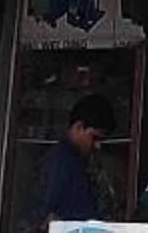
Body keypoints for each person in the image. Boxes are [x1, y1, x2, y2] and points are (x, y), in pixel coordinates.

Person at [28, 95, 114, 231]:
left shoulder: (83, 162)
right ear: (79, 127)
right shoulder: (59, 161)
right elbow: (43, 215)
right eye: (94, 137)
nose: (97, 145)